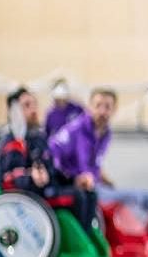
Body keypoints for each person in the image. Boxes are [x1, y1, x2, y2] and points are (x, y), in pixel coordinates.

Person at [48, 88, 119, 236]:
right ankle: (81, 238)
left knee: (95, 193)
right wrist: (72, 178)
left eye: (107, 107)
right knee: (88, 194)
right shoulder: (76, 130)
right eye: (98, 105)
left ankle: (87, 238)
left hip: (88, 184)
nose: (102, 111)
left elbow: (95, 165)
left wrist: (107, 181)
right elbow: (51, 155)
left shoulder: (106, 133)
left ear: (114, 110)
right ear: (89, 107)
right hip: (63, 182)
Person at [0, 88, 56, 199]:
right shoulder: (10, 141)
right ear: (15, 112)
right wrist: (31, 176)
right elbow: (9, 179)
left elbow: (49, 166)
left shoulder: (40, 137)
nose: (33, 110)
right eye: (27, 105)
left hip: (42, 194)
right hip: (18, 201)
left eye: (34, 104)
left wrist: (47, 173)